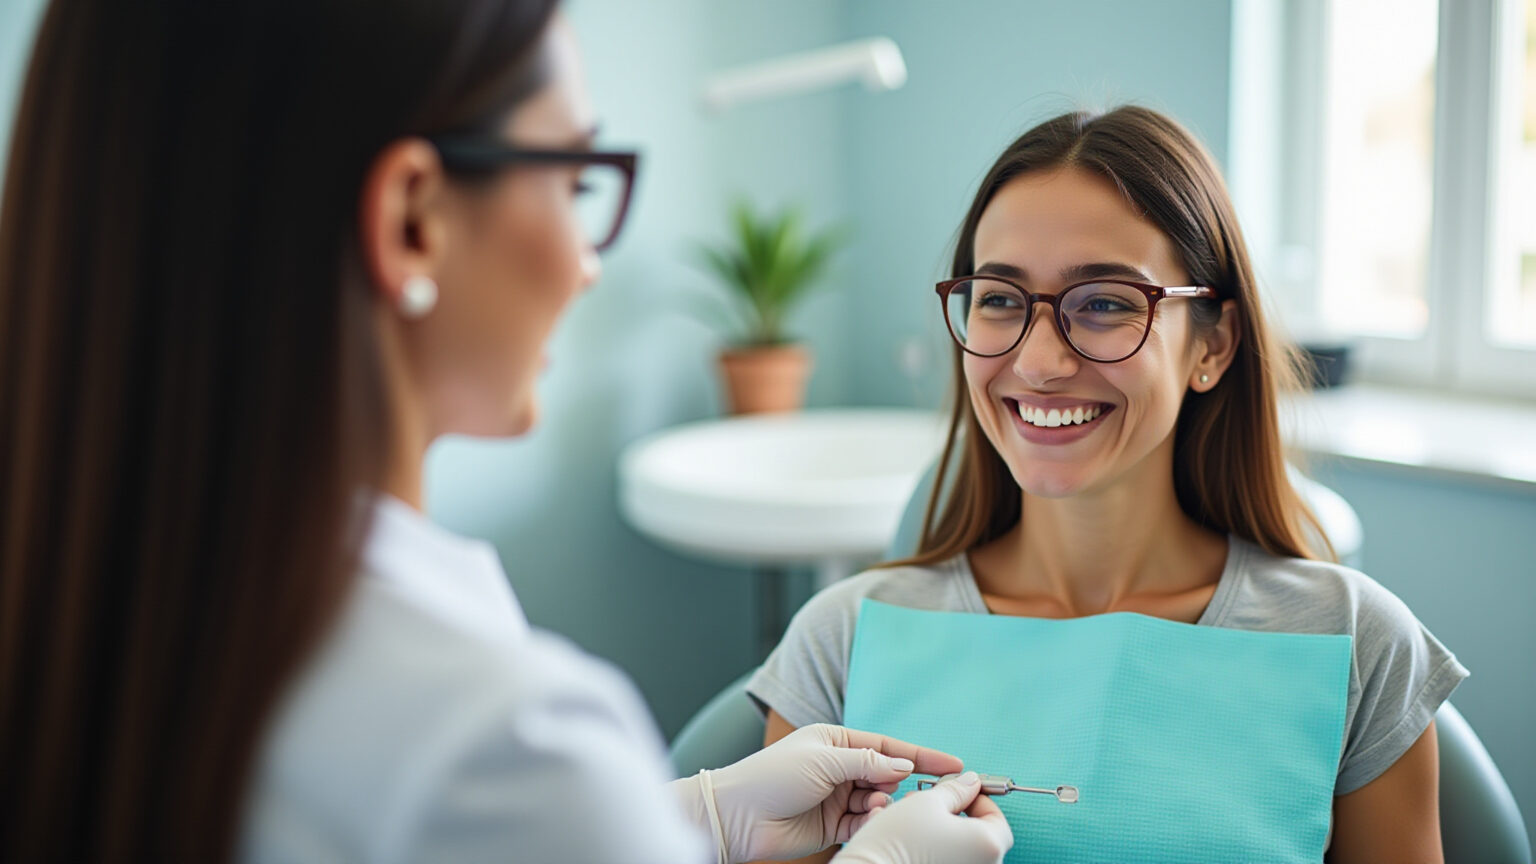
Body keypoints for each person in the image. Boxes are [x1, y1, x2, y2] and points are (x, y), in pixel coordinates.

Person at [0, 2, 1015, 863]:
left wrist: (696, 820)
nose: (586, 263)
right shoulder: (507, 746)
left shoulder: (95, 624)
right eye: (576, 179)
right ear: (412, 219)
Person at [748, 106, 1468, 864]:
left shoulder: (1355, 645)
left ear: (1213, 345)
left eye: (1105, 304)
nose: (1040, 362)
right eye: (999, 299)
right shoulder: (842, 641)